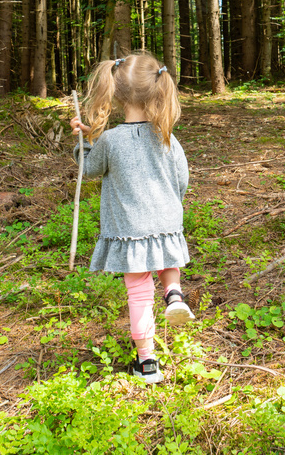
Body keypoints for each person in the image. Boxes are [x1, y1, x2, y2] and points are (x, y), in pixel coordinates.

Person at [70, 51, 194, 384]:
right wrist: (172, 205)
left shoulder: (111, 140)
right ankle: (174, 294)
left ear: (116, 93)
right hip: (165, 220)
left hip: (130, 230)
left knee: (138, 293)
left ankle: (148, 362)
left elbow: (91, 168)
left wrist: (84, 142)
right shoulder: (166, 135)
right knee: (168, 261)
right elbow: (182, 177)